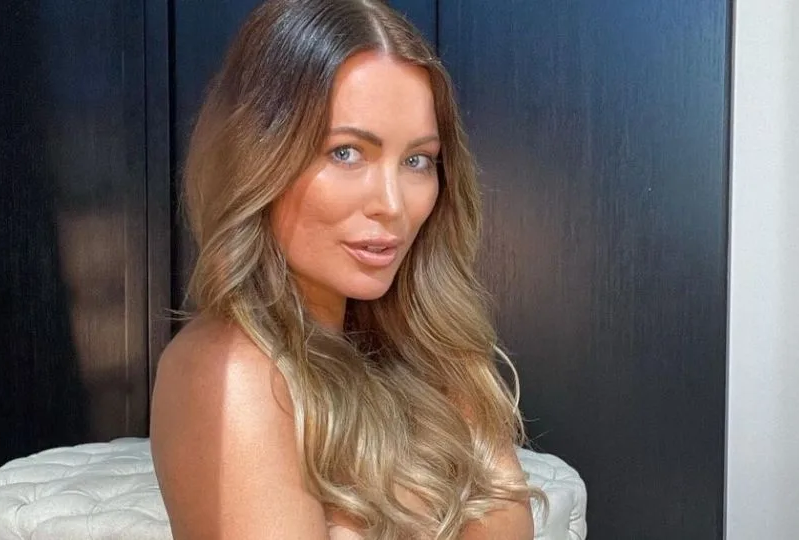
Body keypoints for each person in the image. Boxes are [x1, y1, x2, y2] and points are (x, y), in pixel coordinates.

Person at [149, 0, 539, 538]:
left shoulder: (430, 352)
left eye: (417, 161)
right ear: (257, 155)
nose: (393, 205)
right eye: (346, 153)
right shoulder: (234, 371)